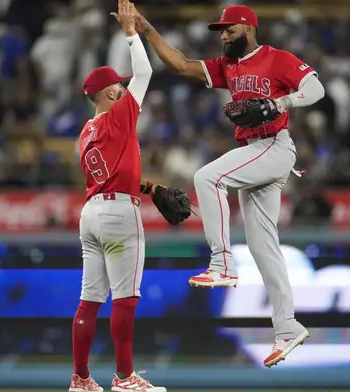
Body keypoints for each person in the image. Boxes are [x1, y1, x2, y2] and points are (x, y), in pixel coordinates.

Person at [133, 4, 325, 367]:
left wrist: (280, 101)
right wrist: (147, 30)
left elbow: (316, 89)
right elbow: (180, 64)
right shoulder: (229, 67)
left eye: (228, 29)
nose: (222, 35)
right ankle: (288, 327)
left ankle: (222, 262)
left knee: (207, 176)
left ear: (249, 28)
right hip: (254, 150)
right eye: (220, 30)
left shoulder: (276, 58)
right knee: (262, 244)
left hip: (273, 144)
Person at [69, 1, 166, 391]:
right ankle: (125, 379)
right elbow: (145, 71)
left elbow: (110, 175)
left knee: (89, 301)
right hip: (119, 215)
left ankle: (81, 379)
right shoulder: (118, 115)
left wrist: (149, 187)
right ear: (108, 92)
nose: (124, 86)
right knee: (125, 298)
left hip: (91, 214)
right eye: (118, 85)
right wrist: (131, 33)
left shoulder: (85, 132)